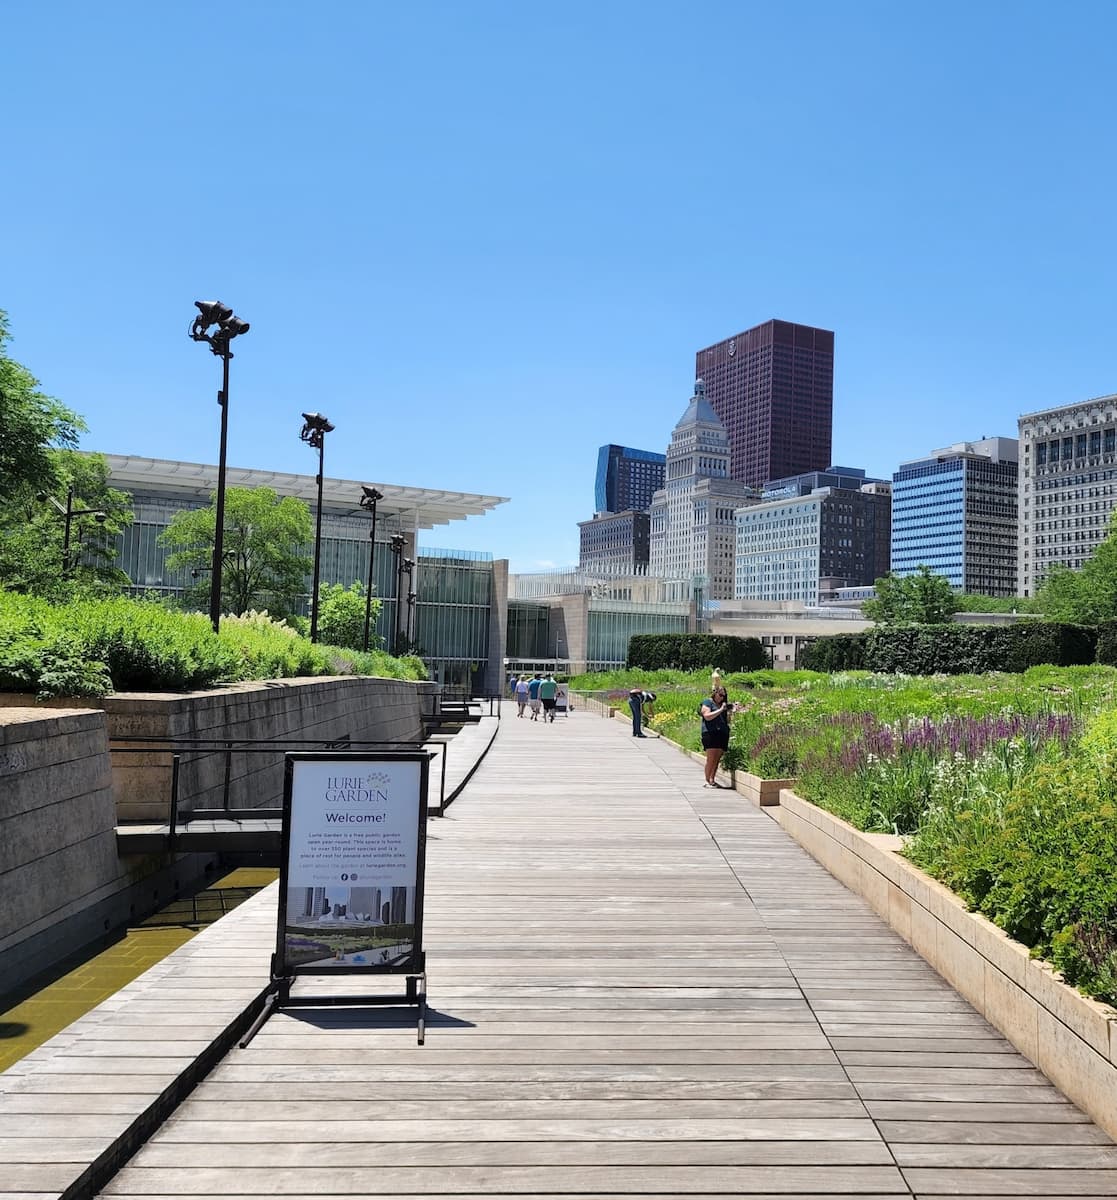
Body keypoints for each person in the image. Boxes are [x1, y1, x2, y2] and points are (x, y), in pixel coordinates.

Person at [699, 684, 732, 787]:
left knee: (717, 759)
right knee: (711, 758)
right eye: (720, 694)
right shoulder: (708, 702)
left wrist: (730, 712)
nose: (722, 697)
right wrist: (721, 710)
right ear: (715, 693)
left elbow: (727, 721)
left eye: (724, 696)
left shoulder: (722, 705)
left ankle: (712, 779)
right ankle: (707, 780)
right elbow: (707, 716)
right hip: (710, 733)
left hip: (722, 733)